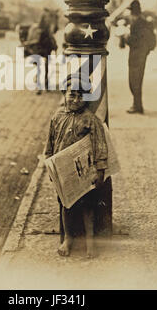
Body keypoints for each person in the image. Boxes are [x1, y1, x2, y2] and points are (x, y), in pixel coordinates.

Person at [44, 74, 108, 258]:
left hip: (84, 172)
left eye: (81, 96)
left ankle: (90, 242)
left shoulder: (90, 120)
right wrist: (50, 164)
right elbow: (50, 143)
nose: (76, 99)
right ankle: (68, 238)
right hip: (63, 172)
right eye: (72, 94)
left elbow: (100, 145)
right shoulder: (57, 118)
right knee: (66, 205)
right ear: (64, 94)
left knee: (88, 206)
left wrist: (100, 168)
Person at [125, 0, 155, 114]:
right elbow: (151, 41)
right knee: (136, 80)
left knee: (134, 81)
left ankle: (137, 106)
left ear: (133, 12)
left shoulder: (137, 24)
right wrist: (146, 51)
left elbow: (135, 40)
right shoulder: (144, 22)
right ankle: (137, 105)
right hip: (141, 55)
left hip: (136, 56)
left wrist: (126, 37)